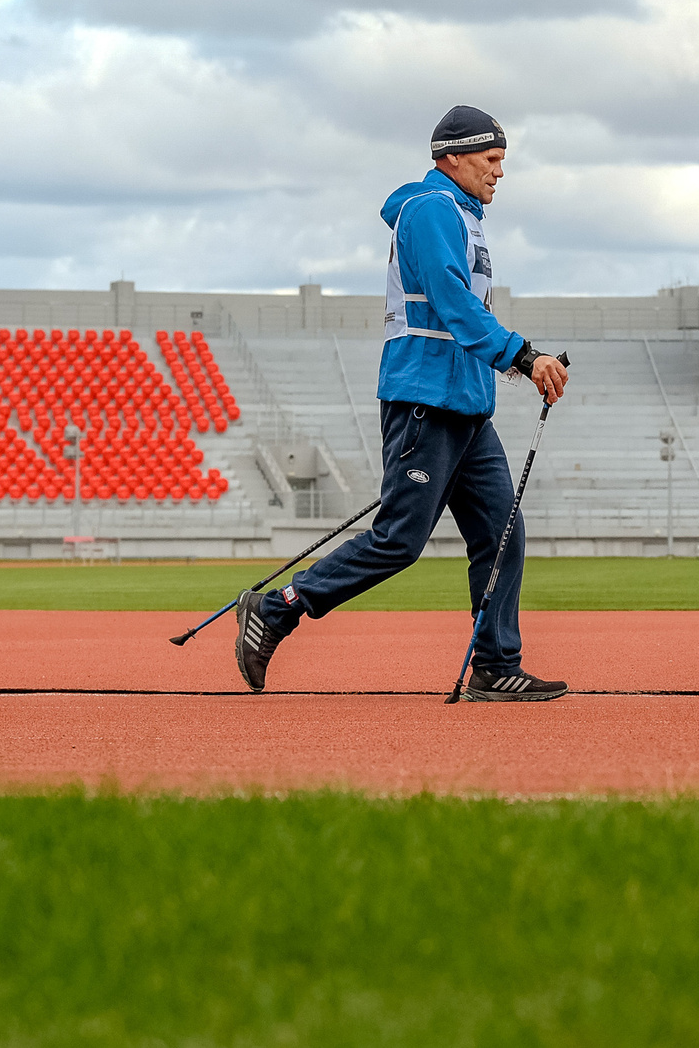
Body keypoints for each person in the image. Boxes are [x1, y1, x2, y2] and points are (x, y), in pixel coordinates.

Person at [235, 105, 572, 701]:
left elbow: (463, 307)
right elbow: (451, 301)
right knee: (398, 540)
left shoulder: (461, 214)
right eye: (492, 161)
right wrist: (523, 356)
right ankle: (277, 609)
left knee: (502, 536)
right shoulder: (432, 210)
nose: (500, 173)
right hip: (426, 397)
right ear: (454, 157)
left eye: (502, 162)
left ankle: (494, 666)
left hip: (465, 403)